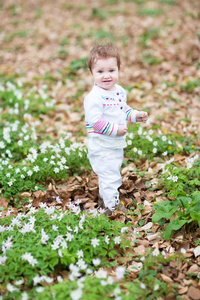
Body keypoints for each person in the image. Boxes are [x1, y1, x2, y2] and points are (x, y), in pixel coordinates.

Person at [84, 43, 148, 216]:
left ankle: (104, 199)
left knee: (110, 173)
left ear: (119, 70)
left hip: (114, 144)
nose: (106, 76)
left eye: (111, 70)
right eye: (100, 71)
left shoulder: (119, 91)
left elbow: (123, 109)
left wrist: (135, 115)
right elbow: (95, 122)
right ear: (92, 73)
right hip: (102, 145)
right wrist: (116, 130)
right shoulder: (94, 98)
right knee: (110, 175)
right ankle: (110, 208)